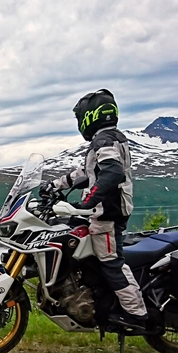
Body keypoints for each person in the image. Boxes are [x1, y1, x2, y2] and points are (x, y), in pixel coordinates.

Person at [42, 89, 148, 330]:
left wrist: (87, 202)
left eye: (80, 116)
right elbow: (87, 174)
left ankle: (137, 315)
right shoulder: (106, 139)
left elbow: (112, 172)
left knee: (111, 263)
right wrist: (54, 186)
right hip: (99, 213)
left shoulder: (105, 141)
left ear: (91, 116)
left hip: (106, 215)